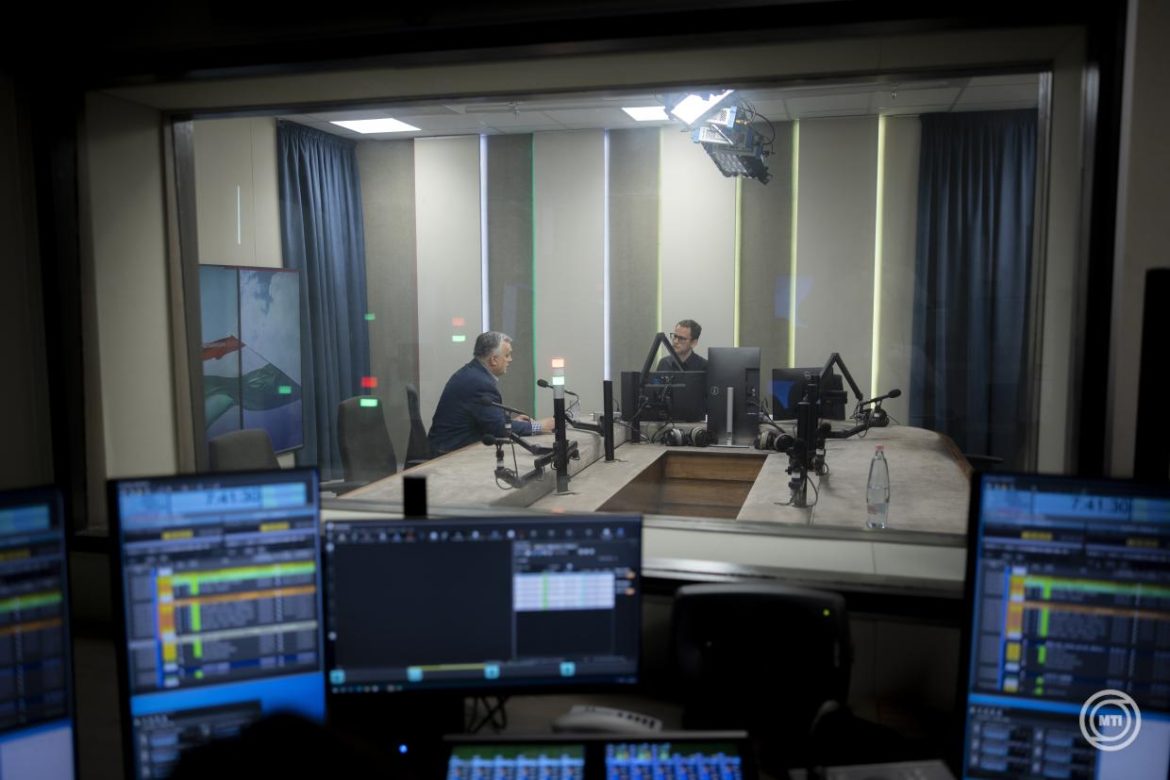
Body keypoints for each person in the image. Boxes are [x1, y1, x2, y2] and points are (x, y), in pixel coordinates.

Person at [428, 331, 554, 455]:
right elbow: (498, 428)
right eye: (507, 355)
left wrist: (511, 423)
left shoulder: (473, 373)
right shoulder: (479, 382)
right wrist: (539, 426)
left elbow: (489, 421)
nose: (510, 360)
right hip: (449, 453)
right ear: (493, 360)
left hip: (452, 447)